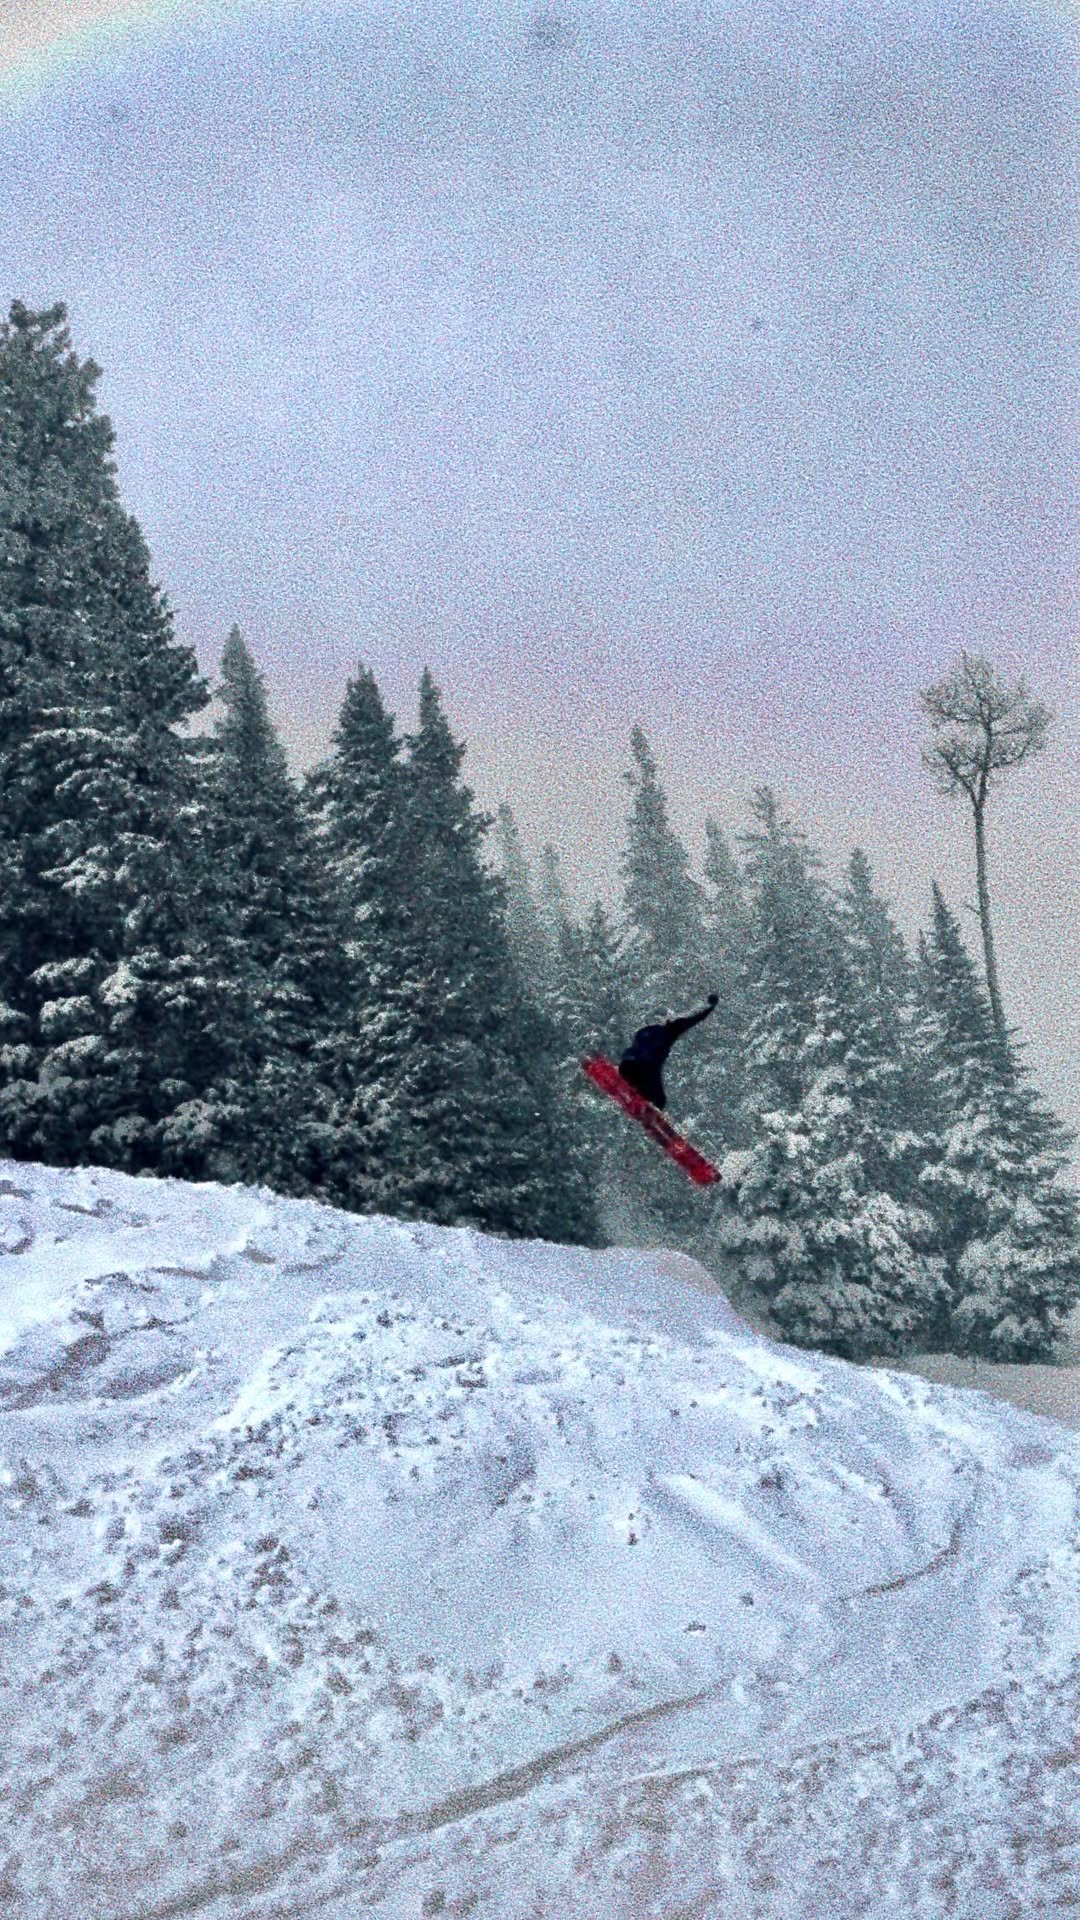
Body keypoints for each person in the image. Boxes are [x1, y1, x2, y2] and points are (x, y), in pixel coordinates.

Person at [617, 994, 718, 1111]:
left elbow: (692, 1018)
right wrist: (710, 1007)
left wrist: (708, 1007)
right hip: (641, 1071)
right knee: (660, 1100)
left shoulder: (644, 1030)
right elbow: (694, 1019)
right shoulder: (669, 1031)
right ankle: (640, 1094)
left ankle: (635, 1089)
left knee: (651, 1088)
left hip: (627, 1067)